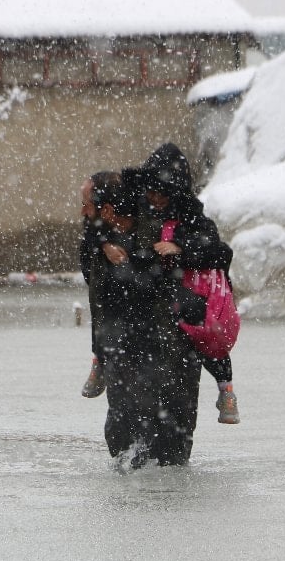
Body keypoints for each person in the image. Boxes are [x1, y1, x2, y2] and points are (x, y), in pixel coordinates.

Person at [123, 143, 242, 425]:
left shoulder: (192, 218)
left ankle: (226, 390)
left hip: (182, 309)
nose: (156, 198)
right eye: (151, 192)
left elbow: (219, 252)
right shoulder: (135, 214)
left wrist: (180, 249)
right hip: (148, 315)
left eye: (162, 193)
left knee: (203, 338)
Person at [88, 177, 202, 469]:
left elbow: (202, 255)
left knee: (164, 428)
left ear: (112, 210)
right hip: (126, 347)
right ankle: (137, 462)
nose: (85, 214)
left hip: (162, 347)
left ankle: (157, 465)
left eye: (89, 206)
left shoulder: (158, 236)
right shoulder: (100, 241)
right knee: (127, 422)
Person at [77, 171, 121, 399]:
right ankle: (100, 358)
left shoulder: (134, 228)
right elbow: (89, 275)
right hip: (108, 327)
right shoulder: (92, 233)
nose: (83, 210)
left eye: (87, 204)